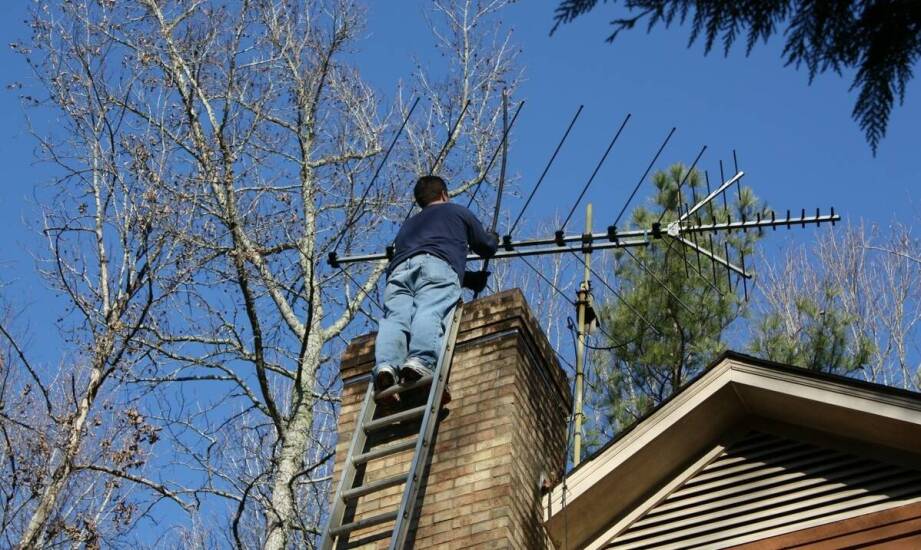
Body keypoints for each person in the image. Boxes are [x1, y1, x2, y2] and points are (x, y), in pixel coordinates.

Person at [373, 175, 499, 392]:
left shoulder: (408, 225)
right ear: (444, 194)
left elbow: (422, 258)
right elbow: (485, 246)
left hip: (399, 272)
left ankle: (386, 365)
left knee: (394, 319)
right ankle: (420, 361)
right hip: (437, 266)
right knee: (430, 309)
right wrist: (493, 238)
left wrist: (469, 280)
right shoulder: (457, 212)